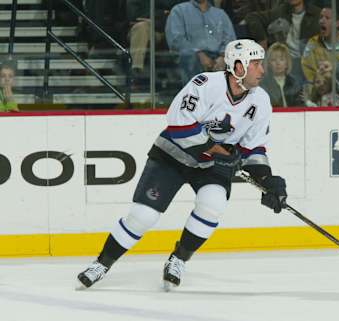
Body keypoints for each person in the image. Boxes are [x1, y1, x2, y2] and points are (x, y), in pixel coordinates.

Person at [76, 39, 288, 291]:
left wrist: (268, 181)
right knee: (143, 215)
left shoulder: (261, 101)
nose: (262, 70)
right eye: (256, 64)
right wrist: (220, 151)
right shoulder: (205, 84)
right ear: (239, 67)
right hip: (173, 156)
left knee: (213, 204)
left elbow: (254, 149)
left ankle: (178, 259)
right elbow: (180, 127)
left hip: (211, 164)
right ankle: (102, 263)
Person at [245, 0, 321, 82]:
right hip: (284, 60)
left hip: (306, 62)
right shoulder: (281, 11)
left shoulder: (317, 14)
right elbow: (252, 17)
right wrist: (262, 40)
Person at [165, 0, 236, 84]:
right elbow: (176, 40)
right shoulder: (179, 11)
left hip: (218, 59)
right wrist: (198, 54)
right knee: (190, 58)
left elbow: (230, 40)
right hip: (191, 60)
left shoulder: (220, 14)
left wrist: (223, 56)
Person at [260, 42, 303, 107]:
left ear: (287, 62)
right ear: (269, 63)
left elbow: (300, 106)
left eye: (281, 59)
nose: (278, 63)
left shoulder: (294, 83)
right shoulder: (263, 84)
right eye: (273, 60)